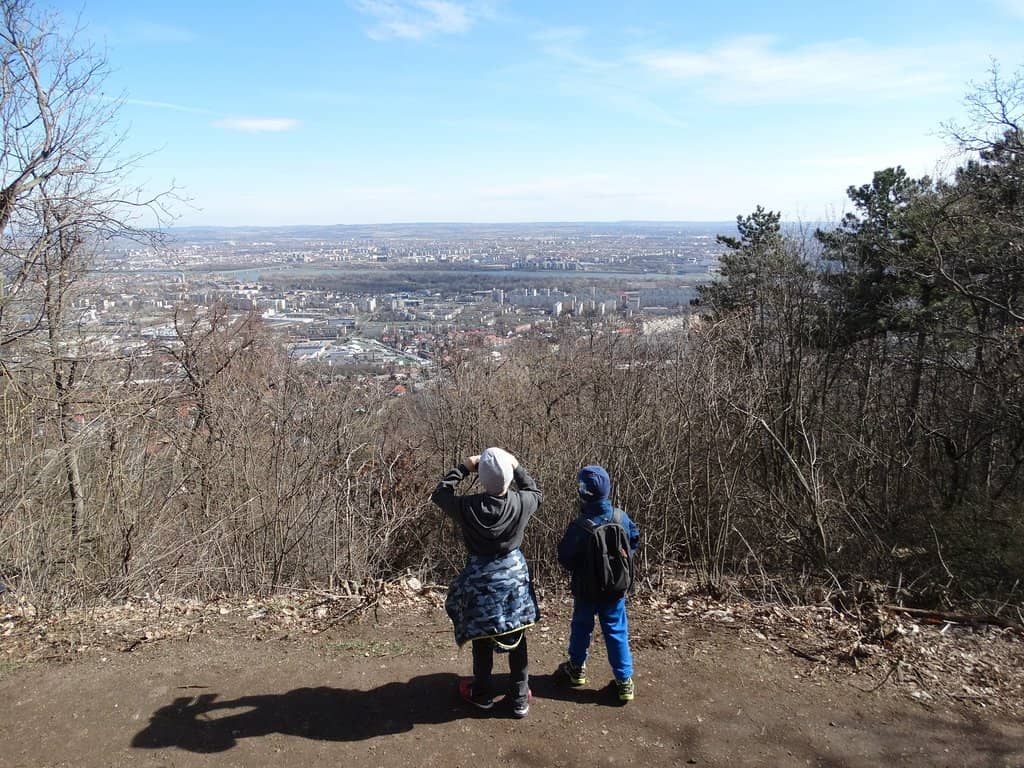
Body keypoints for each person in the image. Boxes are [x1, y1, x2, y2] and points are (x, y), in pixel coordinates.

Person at [431, 447, 542, 718]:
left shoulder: (468, 507)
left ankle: (482, 693)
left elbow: (440, 494)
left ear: (481, 478)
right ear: (508, 477)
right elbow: (536, 492)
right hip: (514, 579)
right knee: (518, 633)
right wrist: (515, 467)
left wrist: (464, 467)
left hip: (481, 579)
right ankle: (519, 698)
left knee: (482, 634)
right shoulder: (522, 502)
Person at [555, 464, 640, 702]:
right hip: (615, 590)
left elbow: (565, 557)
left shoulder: (580, 526)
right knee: (616, 631)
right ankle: (624, 682)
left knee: (581, 628)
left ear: (583, 493)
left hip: (586, 591)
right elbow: (634, 539)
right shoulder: (621, 517)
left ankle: (576, 669)